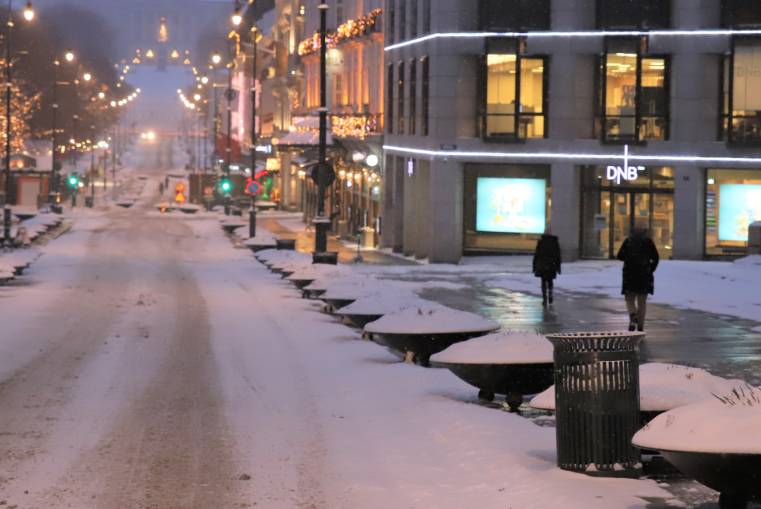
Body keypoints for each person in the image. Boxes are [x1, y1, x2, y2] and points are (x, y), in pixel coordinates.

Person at [617, 224, 660, 332]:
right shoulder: (648, 242)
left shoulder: (628, 241)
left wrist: (629, 258)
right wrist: (651, 269)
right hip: (644, 275)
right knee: (642, 302)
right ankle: (640, 326)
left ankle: (633, 315)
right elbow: (656, 257)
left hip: (630, 274)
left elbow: (620, 256)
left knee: (629, 298)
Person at [532, 231, 562, 307]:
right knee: (550, 281)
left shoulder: (541, 242)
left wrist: (534, 266)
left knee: (543, 281)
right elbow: (557, 255)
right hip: (552, 265)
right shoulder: (554, 242)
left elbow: (537, 255)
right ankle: (550, 295)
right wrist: (558, 267)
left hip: (542, 264)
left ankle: (544, 298)